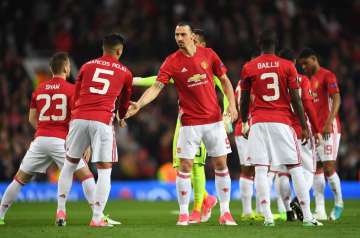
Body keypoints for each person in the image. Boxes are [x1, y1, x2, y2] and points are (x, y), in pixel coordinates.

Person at [126, 22, 238, 226]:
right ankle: (184, 214)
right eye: (176, 34)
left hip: (213, 122)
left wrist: (231, 105)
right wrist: (139, 104)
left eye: (182, 34)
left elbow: (225, 81)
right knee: (185, 167)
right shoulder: (172, 61)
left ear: (192, 37)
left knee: (221, 165)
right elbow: (157, 85)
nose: (179, 38)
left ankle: (225, 212)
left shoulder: (209, 55)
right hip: (189, 124)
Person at [0, 52, 119, 226]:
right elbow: (78, 119)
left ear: (50, 69)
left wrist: (44, 129)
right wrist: (84, 143)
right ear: (65, 68)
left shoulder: (39, 89)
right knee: (86, 176)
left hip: (40, 140)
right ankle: (96, 215)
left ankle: (1, 215)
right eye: (69, 65)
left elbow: (32, 118)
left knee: (19, 179)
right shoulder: (72, 90)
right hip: (62, 142)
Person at [239, 29, 322, 226]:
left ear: (259, 43)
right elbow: (296, 98)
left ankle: (268, 217)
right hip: (282, 122)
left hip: (258, 122)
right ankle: (308, 217)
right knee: (295, 168)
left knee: (260, 169)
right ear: (276, 44)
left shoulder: (249, 67)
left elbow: (244, 99)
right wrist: (303, 125)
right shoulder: (287, 66)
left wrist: (244, 121)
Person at [56, 33, 133, 227]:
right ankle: (97, 217)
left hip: (79, 118)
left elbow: (76, 95)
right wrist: (122, 117)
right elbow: (124, 103)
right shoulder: (125, 72)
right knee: (104, 170)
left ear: (102, 48)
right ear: (119, 51)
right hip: (102, 120)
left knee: (70, 164)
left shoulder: (86, 66)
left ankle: (61, 210)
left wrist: (76, 119)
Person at [272, 48, 322, 221]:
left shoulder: (275, 81)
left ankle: (287, 211)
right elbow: (307, 105)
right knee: (308, 169)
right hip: (300, 128)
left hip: (280, 128)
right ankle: (297, 202)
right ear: (292, 62)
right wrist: (316, 129)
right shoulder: (302, 80)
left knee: (283, 172)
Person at [298, 48, 343, 221]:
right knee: (315, 168)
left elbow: (336, 98)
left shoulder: (327, 75)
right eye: (301, 65)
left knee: (329, 167)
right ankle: (320, 209)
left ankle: (339, 203)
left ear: (314, 59)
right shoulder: (307, 80)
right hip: (315, 130)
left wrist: (327, 122)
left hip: (328, 128)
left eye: (306, 63)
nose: (304, 67)